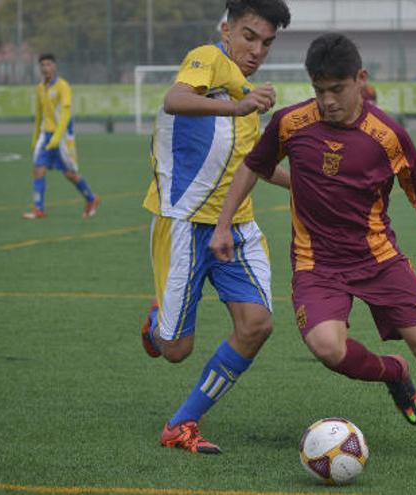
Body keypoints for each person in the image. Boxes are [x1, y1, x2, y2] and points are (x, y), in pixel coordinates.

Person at [210, 33, 416, 464]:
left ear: (360, 79)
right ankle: (394, 372)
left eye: (337, 89)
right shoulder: (290, 123)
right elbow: (253, 167)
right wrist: (223, 225)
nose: (328, 100)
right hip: (316, 264)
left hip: (377, 258)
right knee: (327, 348)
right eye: (319, 90)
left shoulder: (388, 135)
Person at [138, 0, 291, 455]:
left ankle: (182, 423)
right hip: (184, 224)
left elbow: (253, 166)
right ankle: (155, 326)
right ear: (227, 30)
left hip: (237, 228)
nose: (257, 49)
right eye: (249, 36)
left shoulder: (245, 91)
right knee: (175, 350)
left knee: (258, 325)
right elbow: (175, 99)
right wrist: (241, 106)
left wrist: (308, 184)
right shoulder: (208, 57)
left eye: (266, 42)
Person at [24, 54, 100, 219]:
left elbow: (66, 114)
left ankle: (91, 198)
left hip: (63, 138)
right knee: (38, 169)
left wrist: (57, 138)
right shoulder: (40, 88)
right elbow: (39, 115)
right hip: (46, 135)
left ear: (55, 66)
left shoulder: (63, 86)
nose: (45, 68)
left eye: (49, 64)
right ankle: (39, 209)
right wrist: (36, 137)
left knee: (70, 174)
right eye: (42, 65)